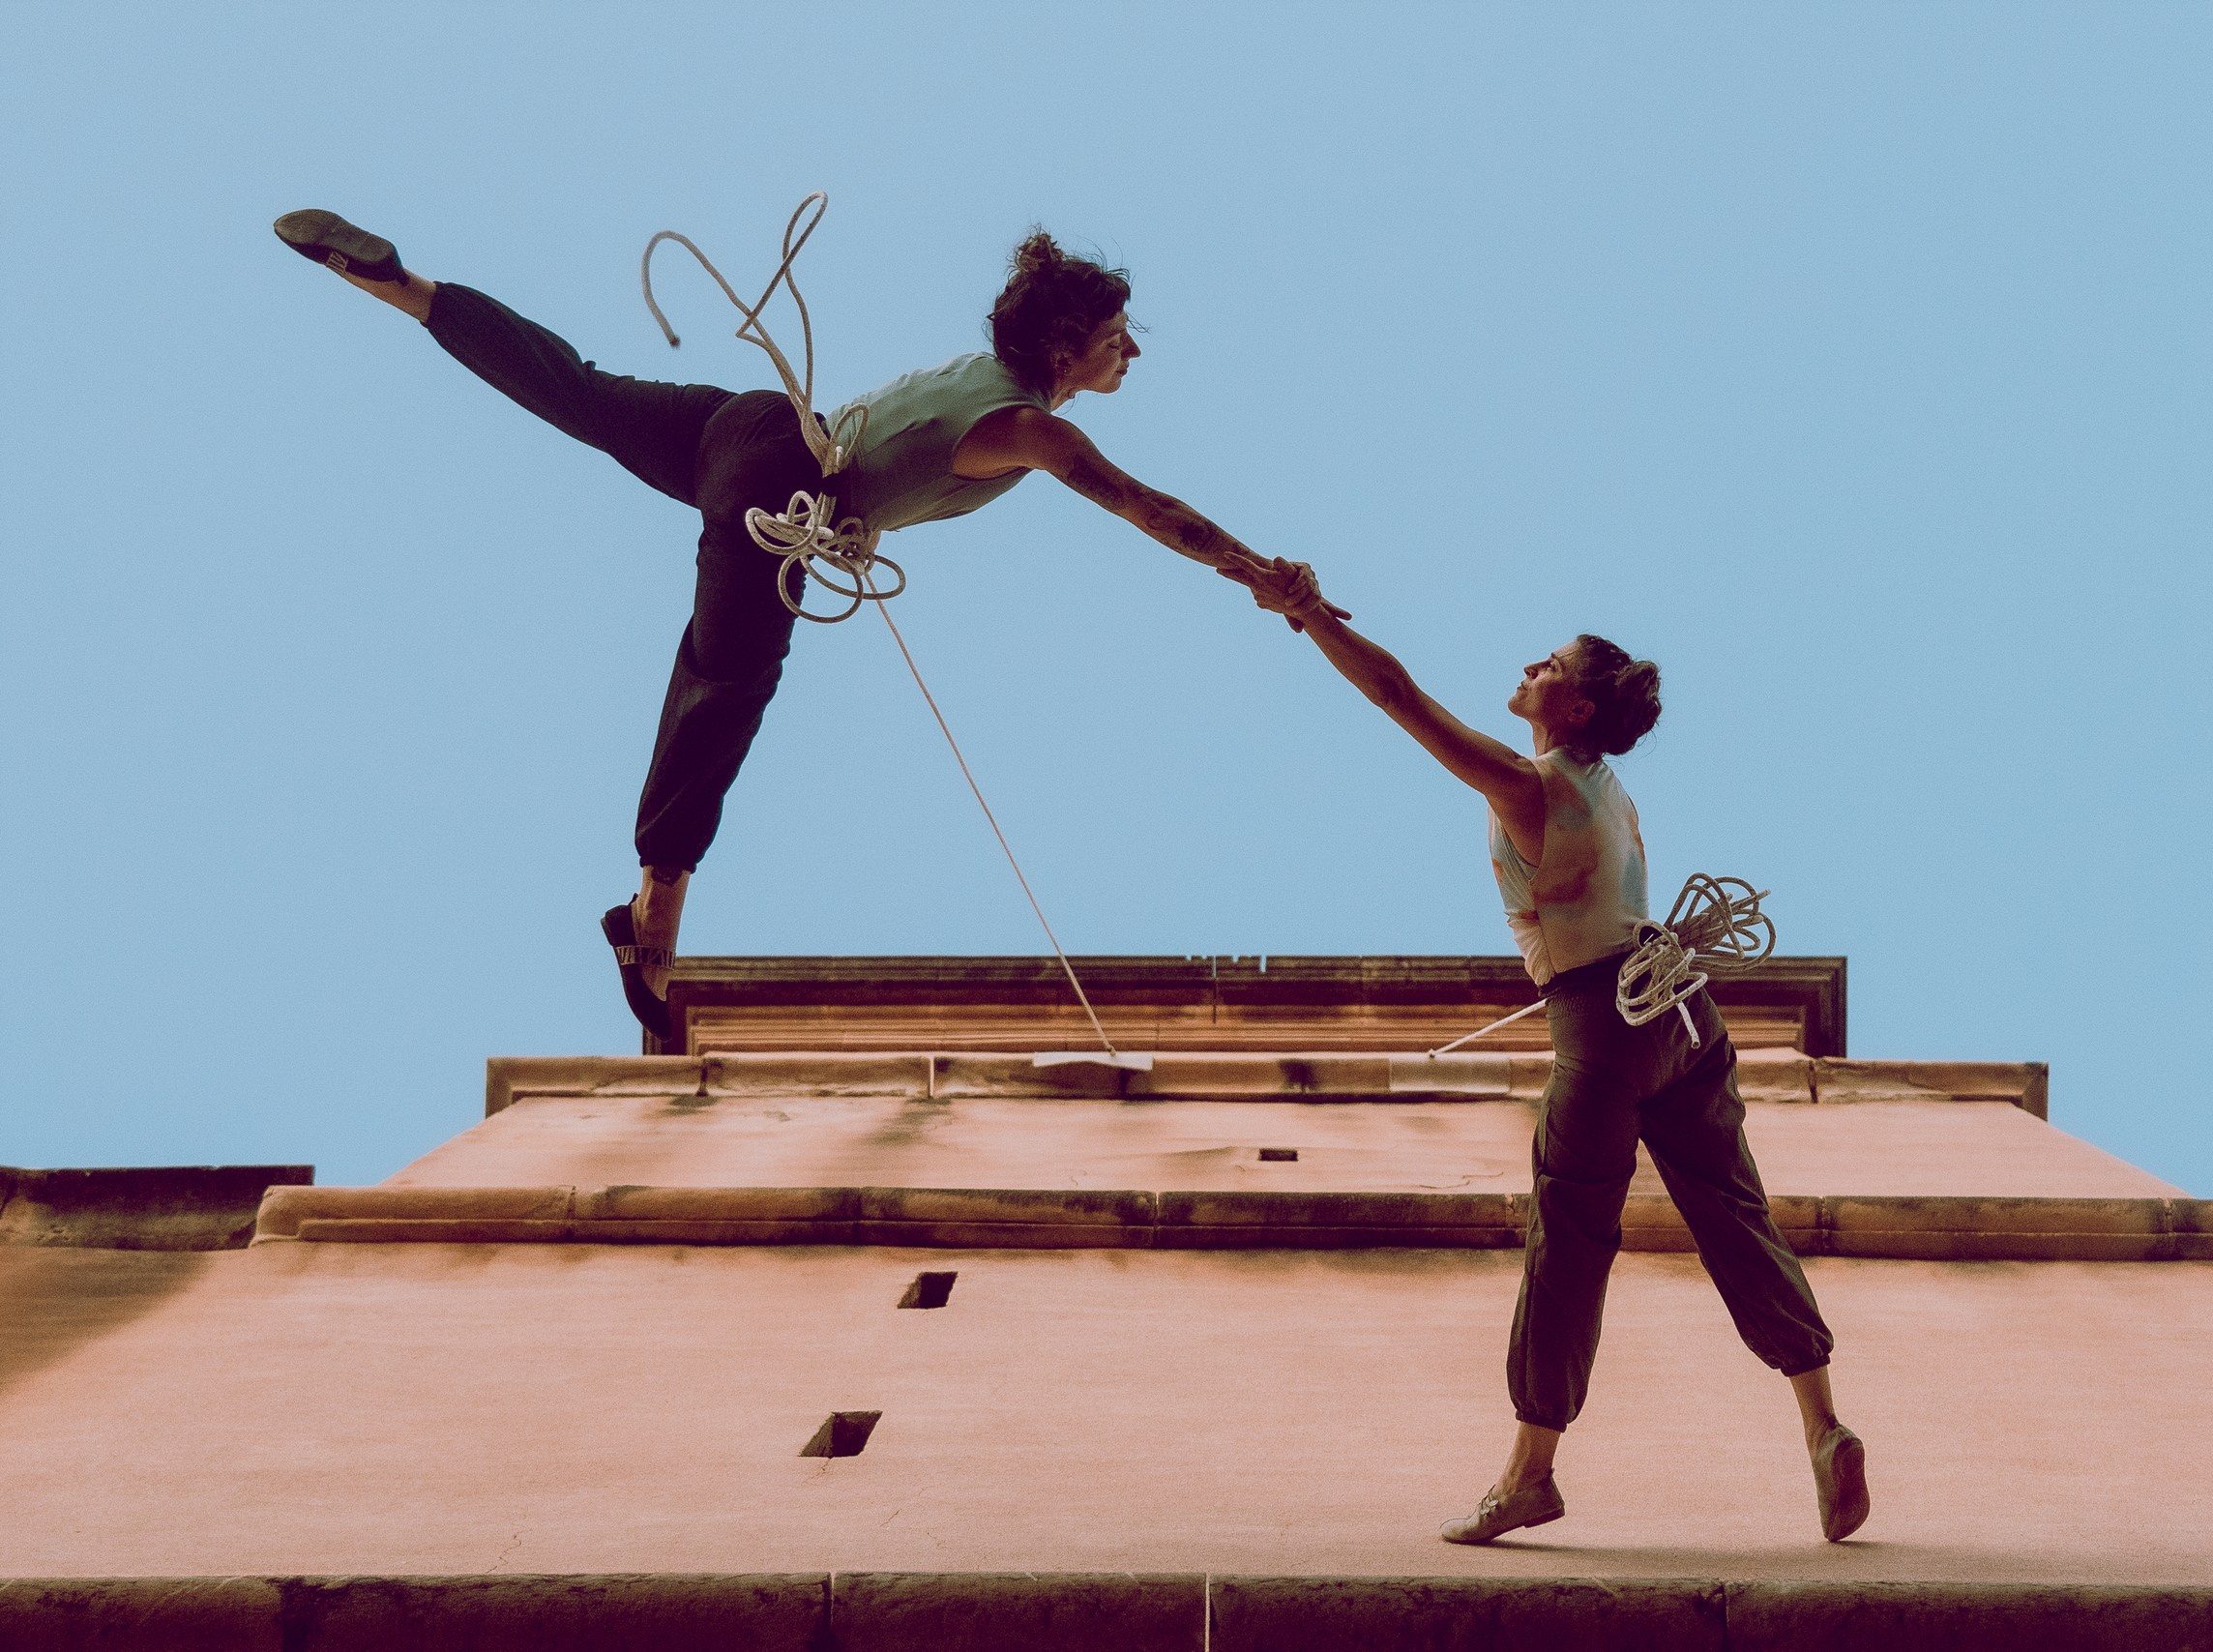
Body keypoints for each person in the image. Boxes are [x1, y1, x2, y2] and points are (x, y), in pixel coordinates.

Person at [273, 208, 1321, 1036]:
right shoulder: (1026, 427)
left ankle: (411, 291)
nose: (1131, 352)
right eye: (1115, 336)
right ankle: (654, 914)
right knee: (727, 680)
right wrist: (1254, 572)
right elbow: (1146, 507)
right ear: (1065, 344)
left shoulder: (978, 380)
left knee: (578, 391)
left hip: (751, 423)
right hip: (785, 481)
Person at [1239, 562, 1869, 1545]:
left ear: (1572, 703)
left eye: (1549, 664)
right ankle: (1822, 1420)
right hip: (1685, 1017)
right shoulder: (1612, 793)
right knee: (1735, 1215)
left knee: (1569, 1238)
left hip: (1604, 1022)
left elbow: (1397, 698)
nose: (1528, 665)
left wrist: (1310, 614)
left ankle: (1529, 1474)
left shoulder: (1530, 785)